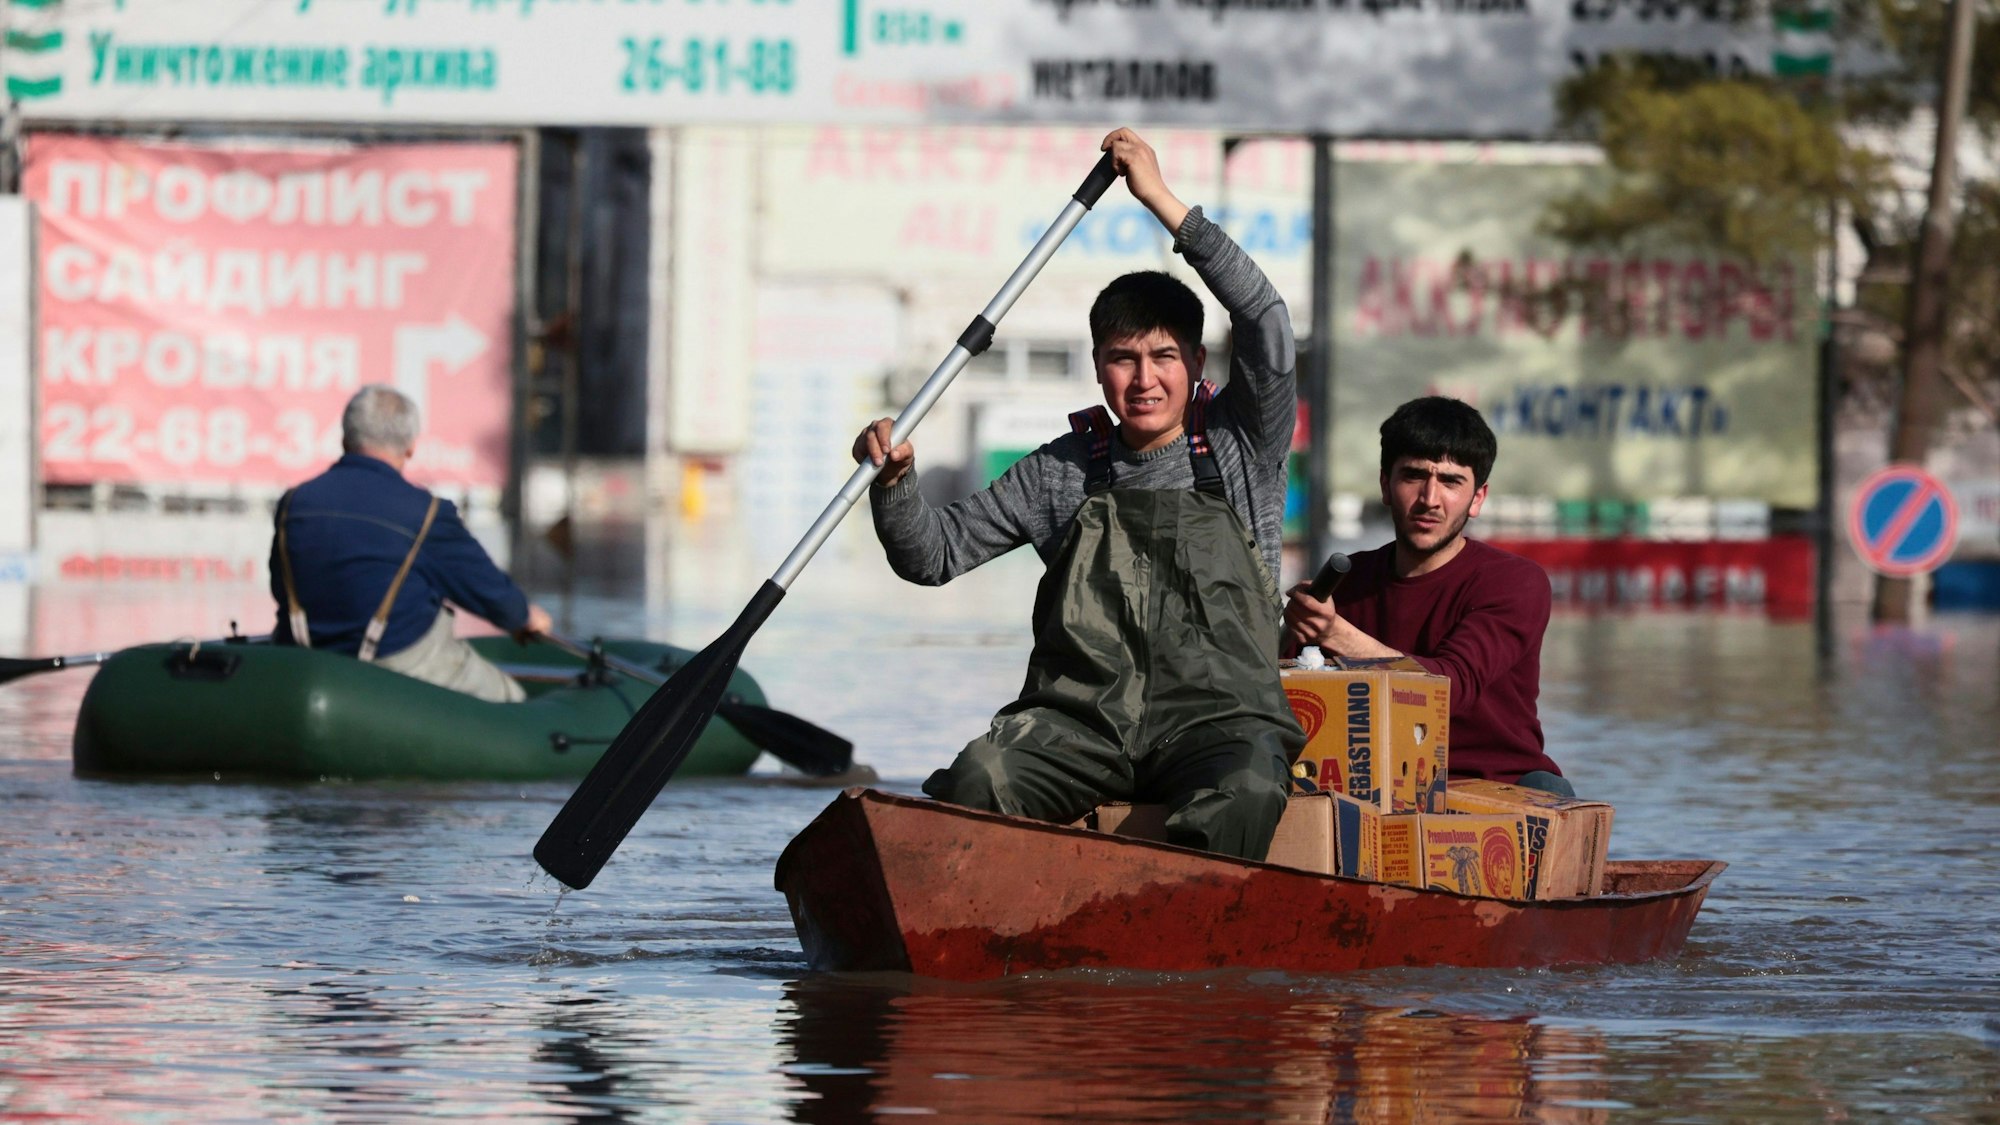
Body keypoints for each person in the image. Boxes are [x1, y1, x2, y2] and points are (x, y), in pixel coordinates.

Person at [852, 127, 1305, 861]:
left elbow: (1266, 321)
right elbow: (931, 557)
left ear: (1195, 362)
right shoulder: (1061, 470)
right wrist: (896, 484)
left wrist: (1160, 200)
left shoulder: (1242, 441)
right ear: (1098, 369)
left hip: (1220, 724)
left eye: (1163, 357)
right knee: (983, 774)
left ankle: (1185, 934)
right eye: (1123, 360)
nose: (1144, 379)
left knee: (1249, 784)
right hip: (1083, 727)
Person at [1280, 396, 1568, 794]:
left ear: (1477, 498)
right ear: (1385, 484)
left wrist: (1334, 634)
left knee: (1549, 791)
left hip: (1495, 787)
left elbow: (1450, 690)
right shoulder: (1345, 584)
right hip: (1371, 785)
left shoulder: (1516, 582)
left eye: (1451, 481)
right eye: (1414, 476)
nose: (1430, 499)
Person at [269, 384, 552, 702]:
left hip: (307, 663)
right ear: (410, 447)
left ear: (345, 438)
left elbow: (280, 587)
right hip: (400, 665)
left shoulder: (293, 503)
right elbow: (488, 592)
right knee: (512, 698)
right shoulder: (429, 514)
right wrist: (524, 616)